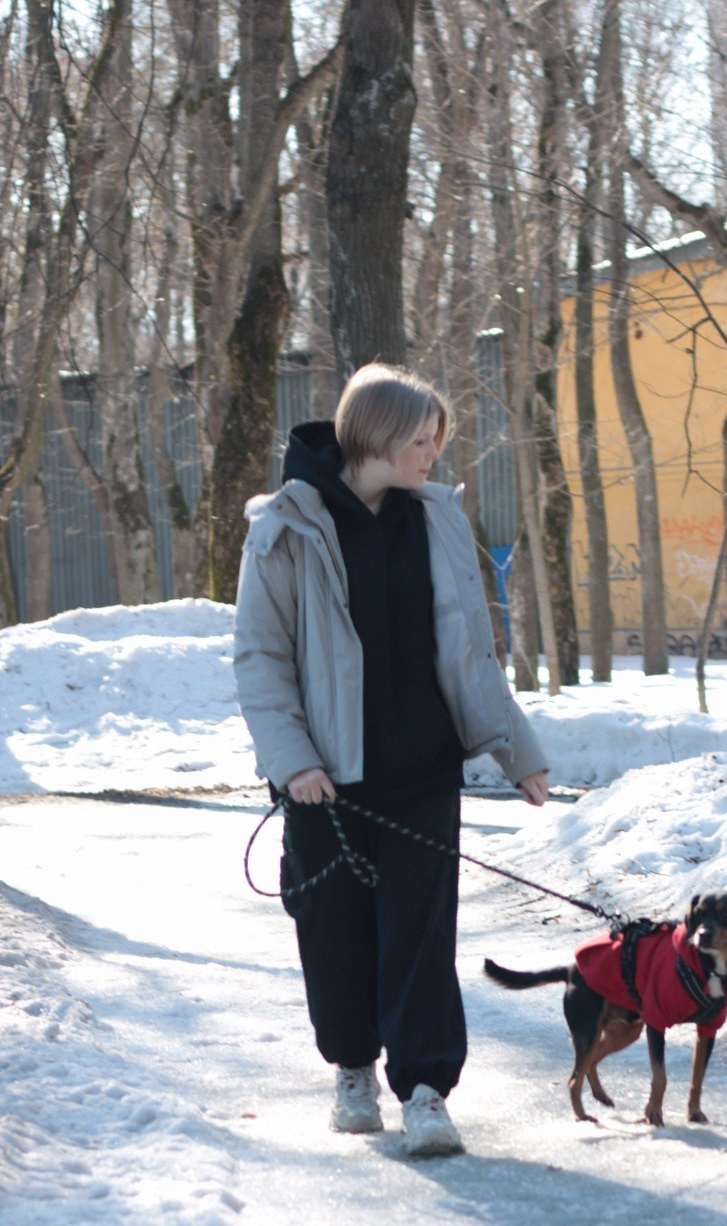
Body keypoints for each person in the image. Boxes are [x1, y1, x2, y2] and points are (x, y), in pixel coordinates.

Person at [233, 364, 549, 1158]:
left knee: (420, 936)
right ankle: (351, 1067)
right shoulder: (284, 527)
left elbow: (469, 652)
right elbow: (260, 658)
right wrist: (294, 759)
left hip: (422, 772)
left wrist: (518, 752)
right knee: (333, 933)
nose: (434, 455)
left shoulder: (435, 519)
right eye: (423, 439)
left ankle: (426, 1090)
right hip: (323, 784)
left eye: (436, 440)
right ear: (376, 436)